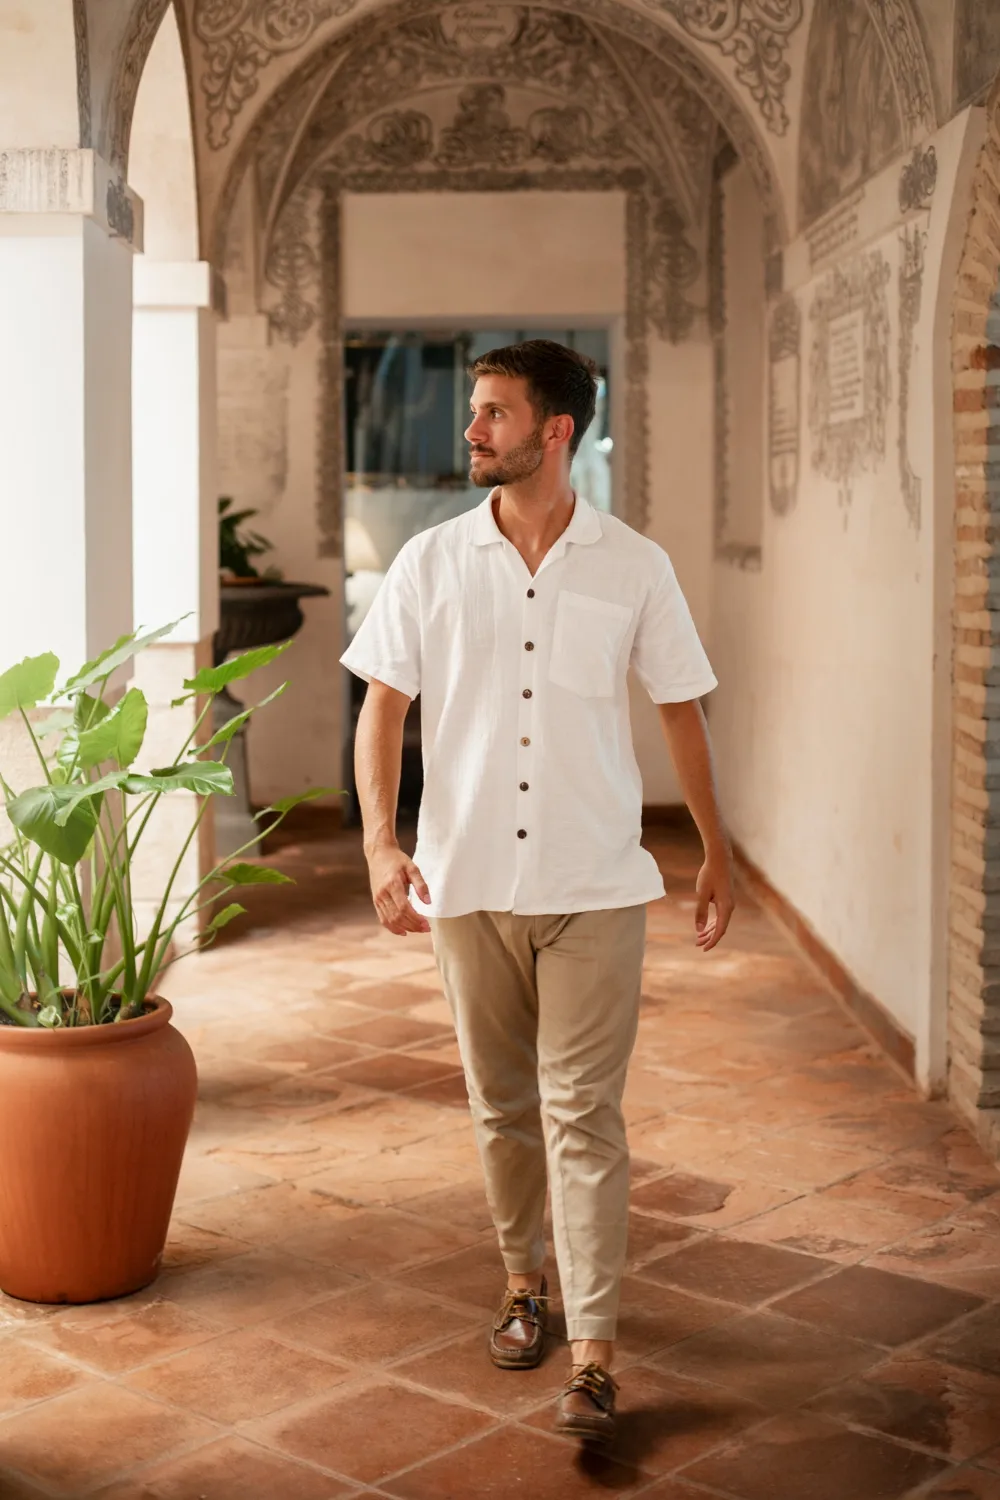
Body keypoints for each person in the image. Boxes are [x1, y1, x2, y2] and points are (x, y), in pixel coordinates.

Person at [341, 339, 734, 1444]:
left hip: (594, 883)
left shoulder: (632, 564)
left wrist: (715, 847)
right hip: (464, 883)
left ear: (555, 432)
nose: (472, 430)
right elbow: (383, 707)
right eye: (474, 411)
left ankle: (597, 1348)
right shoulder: (428, 563)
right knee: (502, 1107)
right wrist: (380, 844)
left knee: (583, 1113)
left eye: (495, 414)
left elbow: (679, 707)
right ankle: (526, 1286)